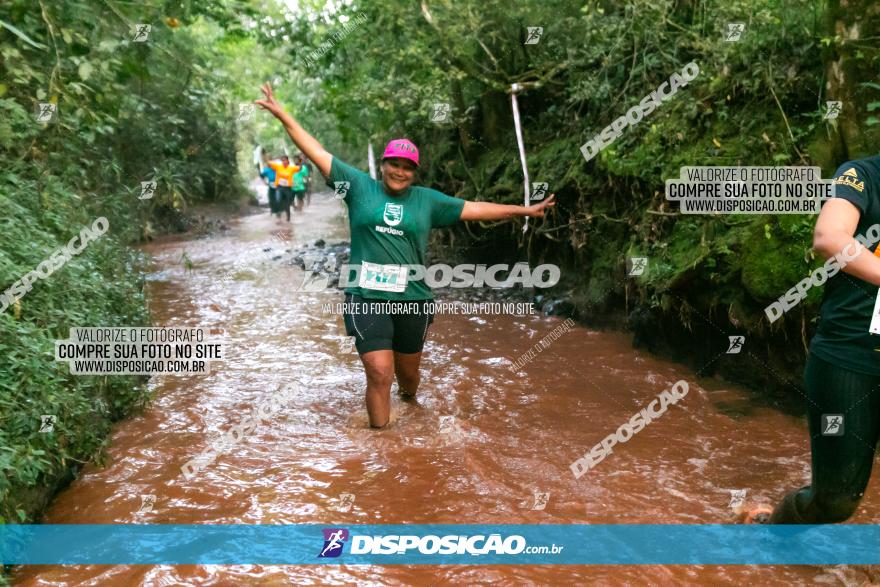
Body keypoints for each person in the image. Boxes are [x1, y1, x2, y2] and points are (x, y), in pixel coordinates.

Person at [255, 82, 555, 428]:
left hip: (412, 298)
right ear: (382, 165)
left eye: (407, 167)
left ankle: (409, 401)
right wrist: (282, 115)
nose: (399, 171)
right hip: (365, 296)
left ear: (414, 172)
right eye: (393, 164)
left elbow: (476, 208)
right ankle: (381, 446)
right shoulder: (356, 187)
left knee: (408, 377)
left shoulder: (427, 201)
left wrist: (522, 210)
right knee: (380, 372)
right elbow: (316, 150)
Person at [748, 156, 880, 524]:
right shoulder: (862, 175)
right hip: (850, 356)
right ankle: (768, 532)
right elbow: (829, 236)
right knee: (835, 502)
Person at [262, 152, 299, 222]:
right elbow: (268, 163)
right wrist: (265, 156)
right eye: (282, 160)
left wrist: (299, 161)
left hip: (288, 188)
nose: (284, 162)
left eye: (285, 160)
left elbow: (299, 168)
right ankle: (278, 213)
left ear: (288, 161)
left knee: (287, 205)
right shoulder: (278, 166)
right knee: (278, 200)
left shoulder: (291, 168)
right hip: (279, 187)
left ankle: (288, 219)